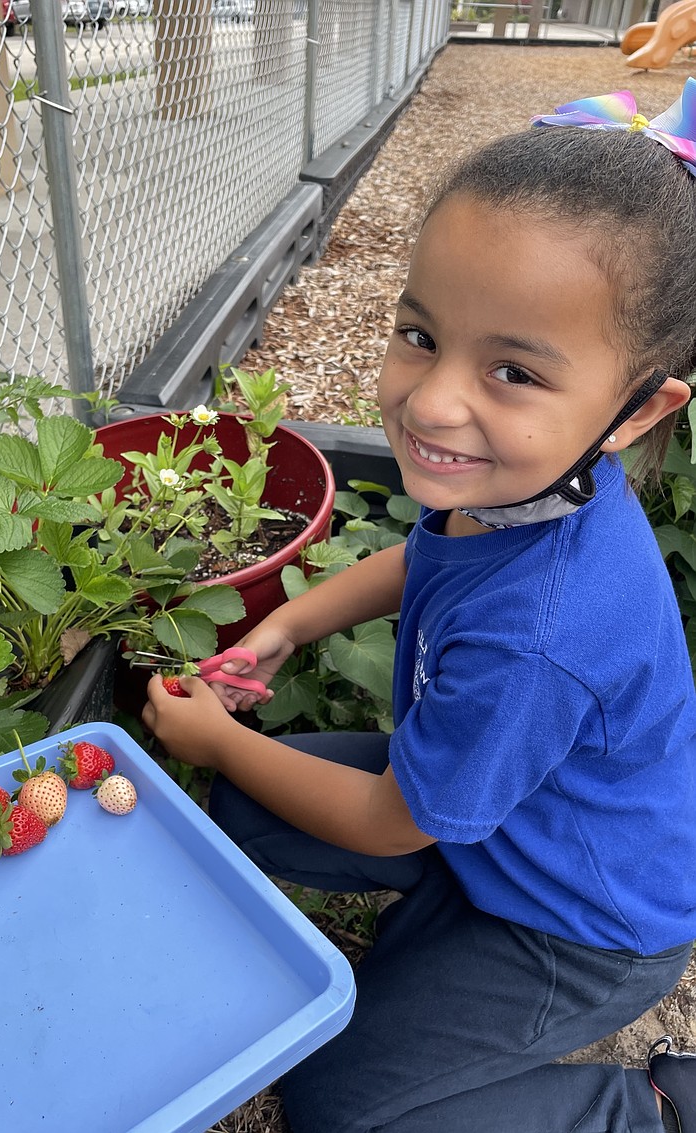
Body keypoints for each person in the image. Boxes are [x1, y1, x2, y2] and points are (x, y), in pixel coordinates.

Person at [142, 81, 696, 1133]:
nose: (433, 400)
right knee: (238, 810)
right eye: (418, 332)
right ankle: (444, 917)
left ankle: (648, 1109)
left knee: (338, 1104)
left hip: (580, 922)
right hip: (491, 824)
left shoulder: (547, 632)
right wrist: (290, 621)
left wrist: (215, 737)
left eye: (513, 371)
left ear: (638, 409)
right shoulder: (528, 487)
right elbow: (421, 559)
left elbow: (390, 819)